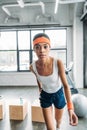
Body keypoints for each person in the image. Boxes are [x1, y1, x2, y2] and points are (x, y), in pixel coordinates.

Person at [30, 33, 78, 130]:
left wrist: (70, 109)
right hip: (45, 96)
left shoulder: (58, 62)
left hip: (58, 94)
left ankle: (58, 126)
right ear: (34, 49)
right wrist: (40, 88)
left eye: (45, 47)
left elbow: (66, 86)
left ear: (49, 48)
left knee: (58, 120)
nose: (42, 50)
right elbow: (37, 77)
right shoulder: (32, 67)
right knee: (50, 128)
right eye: (37, 47)